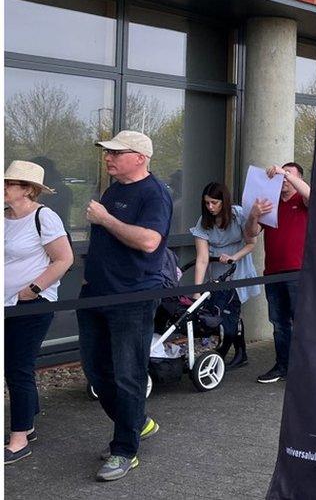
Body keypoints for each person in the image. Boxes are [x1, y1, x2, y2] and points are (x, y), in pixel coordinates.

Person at [77, 131, 173, 481]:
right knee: (96, 370)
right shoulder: (114, 189)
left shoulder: (155, 194)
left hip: (132, 298)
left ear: (140, 157)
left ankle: (124, 450)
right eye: (107, 153)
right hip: (96, 294)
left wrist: (105, 219)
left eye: (116, 153)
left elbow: (149, 242)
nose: (108, 158)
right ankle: (137, 423)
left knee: (128, 374)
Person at [4, 161, 73, 465]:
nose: (3, 188)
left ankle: (19, 439)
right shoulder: (4, 218)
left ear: (28, 190)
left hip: (31, 304)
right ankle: (27, 422)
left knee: (18, 367)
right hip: (5, 303)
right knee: (13, 367)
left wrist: (32, 289)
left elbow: (64, 259)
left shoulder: (44, 217)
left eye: (9, 184)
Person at [245, 162, 310, 384]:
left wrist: (287, 175)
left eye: (289, 175)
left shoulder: (301, 200)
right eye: (281, 175)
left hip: (298, 271)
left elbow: (313, 195)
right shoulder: (270, 203)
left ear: (298, 178)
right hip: (272, 272)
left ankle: (306, 369)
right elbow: (250, 234)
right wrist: (254, 215)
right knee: (279, 322)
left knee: (301, 321)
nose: (283, 179)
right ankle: (283, 365)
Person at [190, 182, 260, 369]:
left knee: (232, 310)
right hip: (218, 269)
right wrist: (197, 291)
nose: (210, 207)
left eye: (214, 203)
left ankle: (236, 351)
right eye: (207, 203)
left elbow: (251, 243)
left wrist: (233, 258)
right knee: (221, 309)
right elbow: (202, 258)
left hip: (238, 264)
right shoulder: (203, 222)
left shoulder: (238, 215)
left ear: (224, 201)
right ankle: (237, 351)